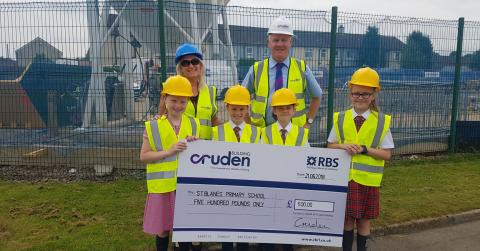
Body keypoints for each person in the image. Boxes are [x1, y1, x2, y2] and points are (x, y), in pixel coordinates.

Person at [327, 67, 394, 251]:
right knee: (346, 220)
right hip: (345, 179)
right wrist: (343, 146)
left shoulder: (382, 121)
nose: (360, 97)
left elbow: (387, 154)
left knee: (363, 222)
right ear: (350, 95)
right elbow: (330, 146)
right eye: (356, 93)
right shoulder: (340, 118)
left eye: (365, 94)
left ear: (373, 95)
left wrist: (365, 150)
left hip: (367, 182)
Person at [140, 75, 200, 251]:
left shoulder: (193, 123)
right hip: (162, 187)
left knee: (183, 228)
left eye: (183, 101)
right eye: (174, 100)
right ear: (164, 98)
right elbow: (144, 156)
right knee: (164, 228)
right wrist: (169, 151)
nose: (178, 106)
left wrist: (195, 142)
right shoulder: (153, 126)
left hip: (185, 186)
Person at [242, 16, 322, 128]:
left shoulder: (302, 68)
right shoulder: (256, 69)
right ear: (268, 43)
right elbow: (241, 98)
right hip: (262, 134)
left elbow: (317, 96)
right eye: (276, 40)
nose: (280, 44)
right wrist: (248, 123)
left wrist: (309, 122)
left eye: (284, 40)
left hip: (294, 135)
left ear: (290, 42)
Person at [211, 85, 260, 251]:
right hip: (225, 186)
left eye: (241, 109)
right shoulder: (216, 132)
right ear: (227, 107)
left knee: (243, 224)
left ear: (247, 109)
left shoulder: (256, 132)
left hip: (247, 186)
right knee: (226, 224)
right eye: (234, 109)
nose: (238, 113)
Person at [260, 88, 309, 251]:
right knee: (268, 220)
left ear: (294, 110)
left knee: (288, 221)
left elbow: (306, 159)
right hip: (271, 184)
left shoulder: (302, 133)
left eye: (288, 107)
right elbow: (262, 157)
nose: (284, 111)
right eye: (280, 108)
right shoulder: (265, 132)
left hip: (292, 185)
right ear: (274, 110)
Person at [159, 43, 221, 139]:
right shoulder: (170, 89)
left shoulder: (210, 91)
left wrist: (230, 131)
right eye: (185, 63)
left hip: (205, 150)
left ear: (200, 66)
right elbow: (161, 116)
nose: (191, 66)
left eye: (195, 61)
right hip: (181, 147)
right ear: (180, 68)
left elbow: (214, 120)